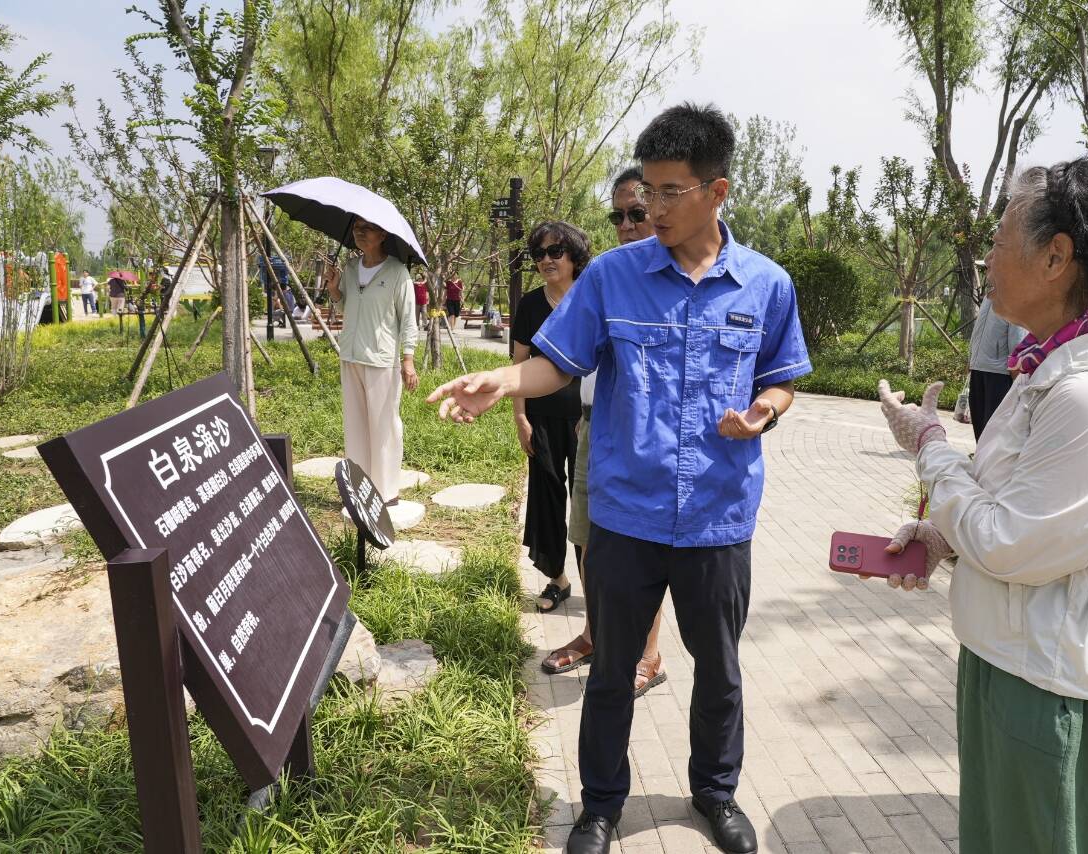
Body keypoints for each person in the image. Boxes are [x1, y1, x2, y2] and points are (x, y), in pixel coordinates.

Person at [429, 103, 811, 854]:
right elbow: (557, 361)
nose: (654, 210)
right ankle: (600, 807)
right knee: (609, 674)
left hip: (717, 517)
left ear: (717, 191)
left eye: (672, 193)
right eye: (646, 196)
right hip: (626, 515)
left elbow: (783, 376)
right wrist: (505, 381)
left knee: (720, 672)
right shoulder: (611, 278)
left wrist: (764, 411)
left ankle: (715, 792)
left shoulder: (765, 285)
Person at [876, 157, 1088, 854]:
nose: (986, 257)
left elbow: (1013, 544)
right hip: (1013, 659)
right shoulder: (1056, 366)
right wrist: (942, 534)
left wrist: (928, 444)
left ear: (1055, 257)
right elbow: (1019, 511)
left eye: (998, 238)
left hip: (1052, 687)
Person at [541, 166, 668, 700]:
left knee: (643, 549)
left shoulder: (670, 282)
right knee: (589, 544)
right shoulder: (607, 276)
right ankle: (596, 633)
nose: (625, 225)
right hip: (594, 426)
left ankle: (648, 655)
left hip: (644, 437)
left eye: (636, 213)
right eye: (617, 216)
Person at [512, 221, 587, 612]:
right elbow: (520, 363)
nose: (546, 260)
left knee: (587, 498)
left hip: (585, 419)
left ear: (574, 256)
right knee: (547, 495)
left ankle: (596, 582)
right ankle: (557, 578)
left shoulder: (591, 297)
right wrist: (520, 417)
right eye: (538, 254)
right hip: (540, 417)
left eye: (555, 252)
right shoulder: (530, 305)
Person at [324, 217, 419, 506]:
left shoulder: (397, 272)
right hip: (351, 356)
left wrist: (408, 360)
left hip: (382, 359)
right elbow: (346, 306)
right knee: (355, 425)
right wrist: (334, 288)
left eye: (367, 229)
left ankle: (387, 491)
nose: (360, 234)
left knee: (384, 425)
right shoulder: (351, 269)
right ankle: (359, 486)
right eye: (356, 229)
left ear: (382, 233)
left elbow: (408, 320)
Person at [966, 295, 1026, 439]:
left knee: (993, 426)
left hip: (999, 373)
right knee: (978, 420)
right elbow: (977, 332)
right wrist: (971, 359)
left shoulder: (1013, 297)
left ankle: (990, 460)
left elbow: (1016, 340)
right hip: (978, 368)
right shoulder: (988, 297)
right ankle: (980, 457)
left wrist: (1016, 377)